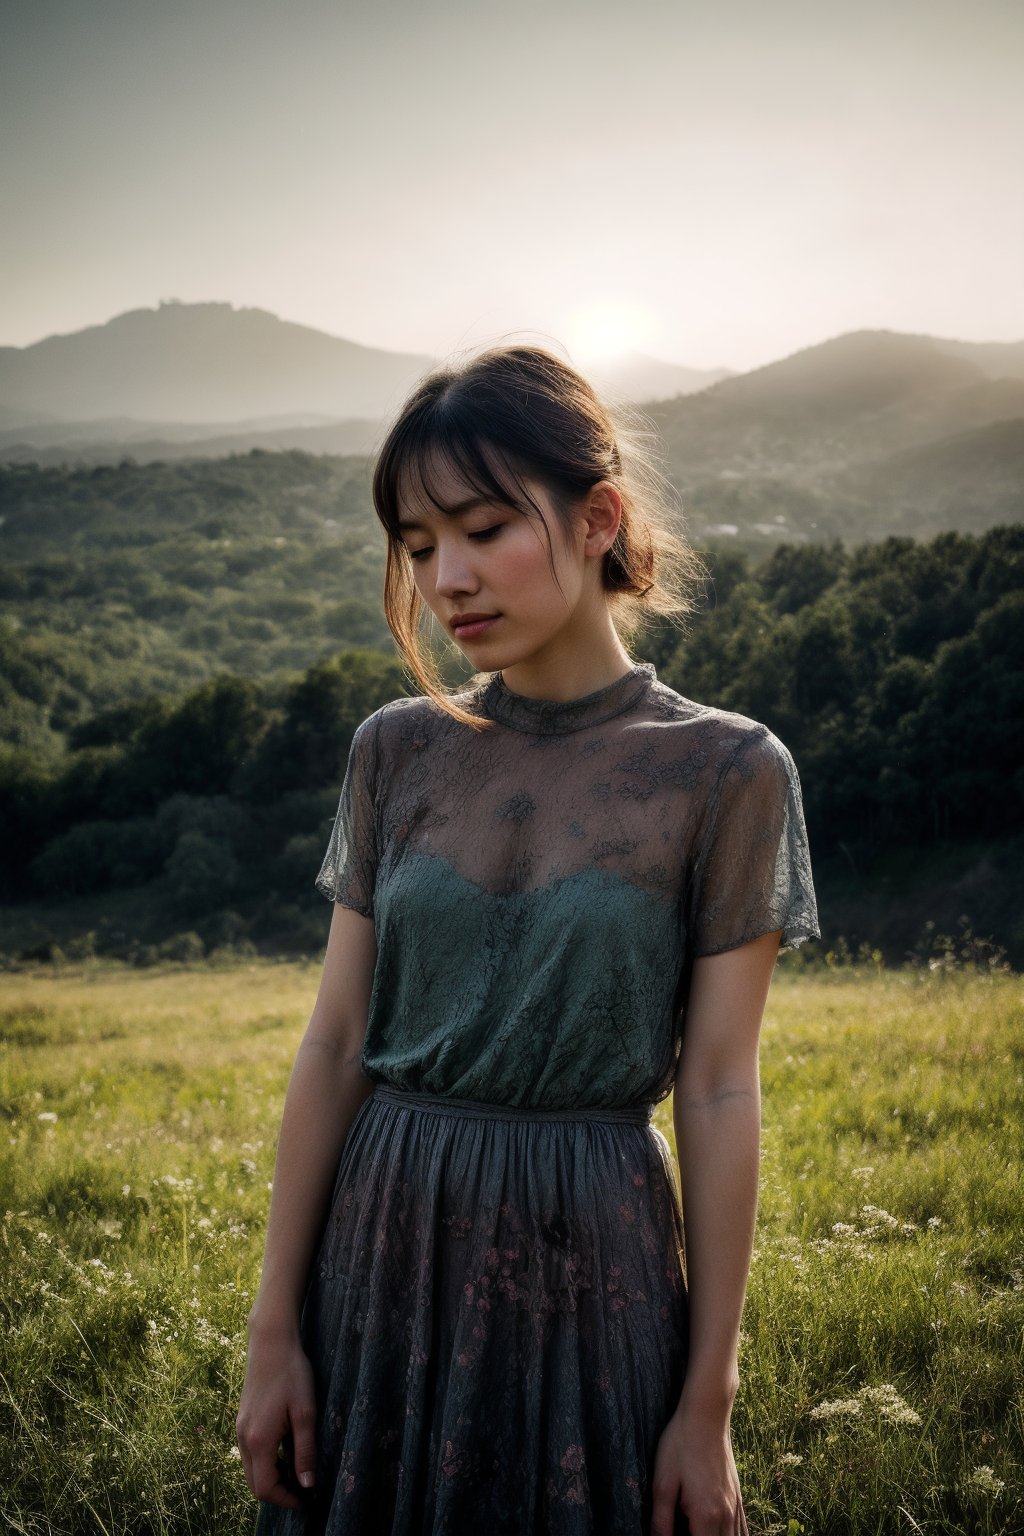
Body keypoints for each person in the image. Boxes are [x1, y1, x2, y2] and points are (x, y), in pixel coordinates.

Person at [236, 344, 821, 1536]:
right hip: (381, 1248)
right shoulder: (395, 750)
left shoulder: (725, 769)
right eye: (414, 544)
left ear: (597, 516)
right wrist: (273, 1334)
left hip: (589, 1252)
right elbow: (338, 1040)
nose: (446, 576)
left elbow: (714, 1089)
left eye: (485, 527)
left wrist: (706, 1403)